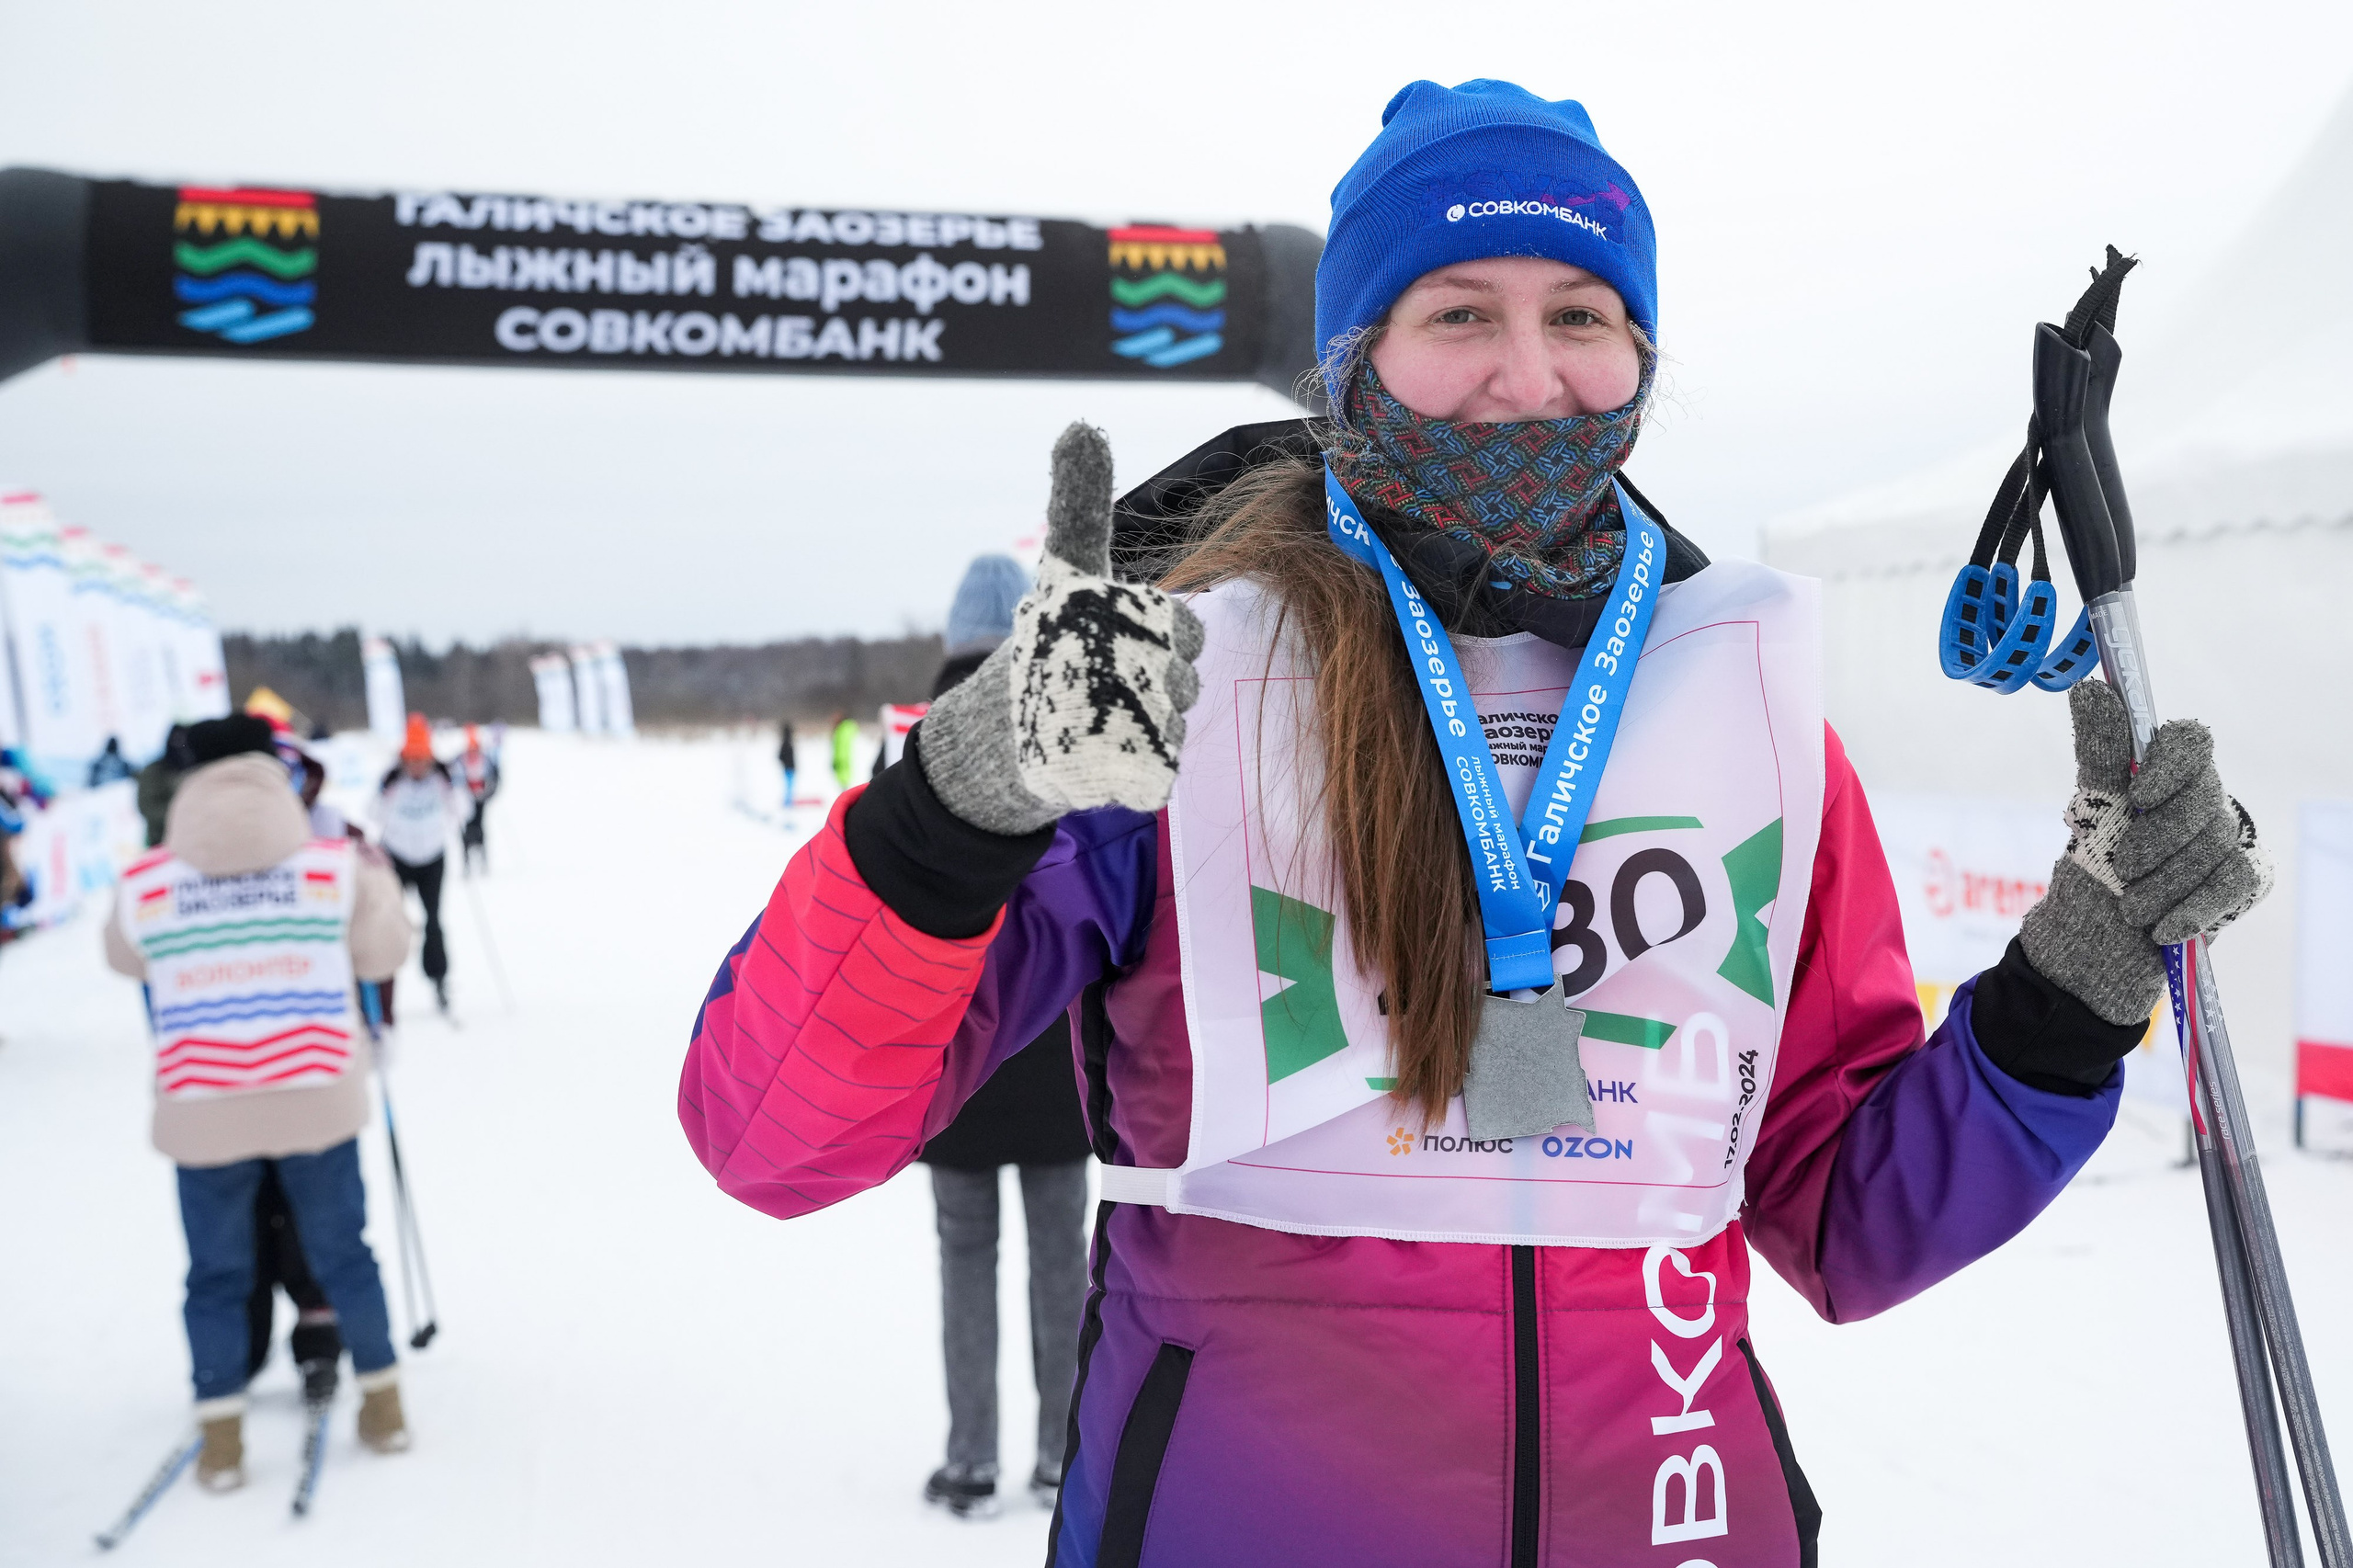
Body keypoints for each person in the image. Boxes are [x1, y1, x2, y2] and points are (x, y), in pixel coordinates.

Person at [677, 81, 2275, 1565]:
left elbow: (1850, 1218)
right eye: (1460, 315)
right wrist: (961, 801)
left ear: (1642, 353)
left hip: (1676, 1509)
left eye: (1582, 314)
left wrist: (2075, 986)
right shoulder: (1180, 696)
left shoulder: (1741, 704)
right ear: (1354, 358)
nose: (1528, 375)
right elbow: (773, 1136)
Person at [104, 713, 415, 1490]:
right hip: (315, 1096)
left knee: (215, 1274)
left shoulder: (146, 881)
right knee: (345, 1255)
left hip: (203, 1103)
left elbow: (123, 957)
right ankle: (384, 1410)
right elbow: (384, 951)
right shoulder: (333, 868)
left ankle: (221, 1442)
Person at [910, 555, 1094, 1520]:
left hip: (952, 1055)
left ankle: (971, 1459)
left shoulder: (918, 751)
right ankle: (1062, 1453)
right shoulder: (1066, 733)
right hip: (1054, 1047)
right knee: (1063, 1260)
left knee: (964, 1255)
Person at [375, 714, 465, 1015]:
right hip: (397, 857)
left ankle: (439, 980)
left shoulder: (442, 780)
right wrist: (383, 787)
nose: (416, 766)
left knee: (434, 921)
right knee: (389, 922)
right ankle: (383, 984)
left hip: (432, 858)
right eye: (411, 760)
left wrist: (453, 784)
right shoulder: (393, 781)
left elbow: (461, 812)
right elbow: (372, 813)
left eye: (422, 760)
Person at [137, 725, 195, 847]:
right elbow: (149, 808)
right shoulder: (154, 772)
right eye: (177, 740)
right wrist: (185, 814)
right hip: (161, 841)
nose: (181, 745)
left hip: (192, 839)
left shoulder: (194, 768)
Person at [457, 725, 500, 875]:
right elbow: (453, 779)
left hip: (480, 799)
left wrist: (487, 793)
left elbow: (494, 779)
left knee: (480, 827)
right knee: (466, 830)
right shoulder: (460, 759)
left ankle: (483, 858)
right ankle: (467, 861)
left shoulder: (486, 760)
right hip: (465, 800)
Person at [829, 709, 858, 795]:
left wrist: (838, 760)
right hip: (844, 759)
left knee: (843, 782)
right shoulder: (844, 729)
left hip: (842, 760)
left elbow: (841, 746)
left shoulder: (842, 730)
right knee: (843, 782)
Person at [778, 719, 798, 812]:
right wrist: (787, 763)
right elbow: (780, 756)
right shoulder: (786, 743)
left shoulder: (787, 742)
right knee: (789, 786)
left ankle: (788, 801)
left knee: (789, 786)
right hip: (789, 768)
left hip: (789, 767)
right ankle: (788, 802)